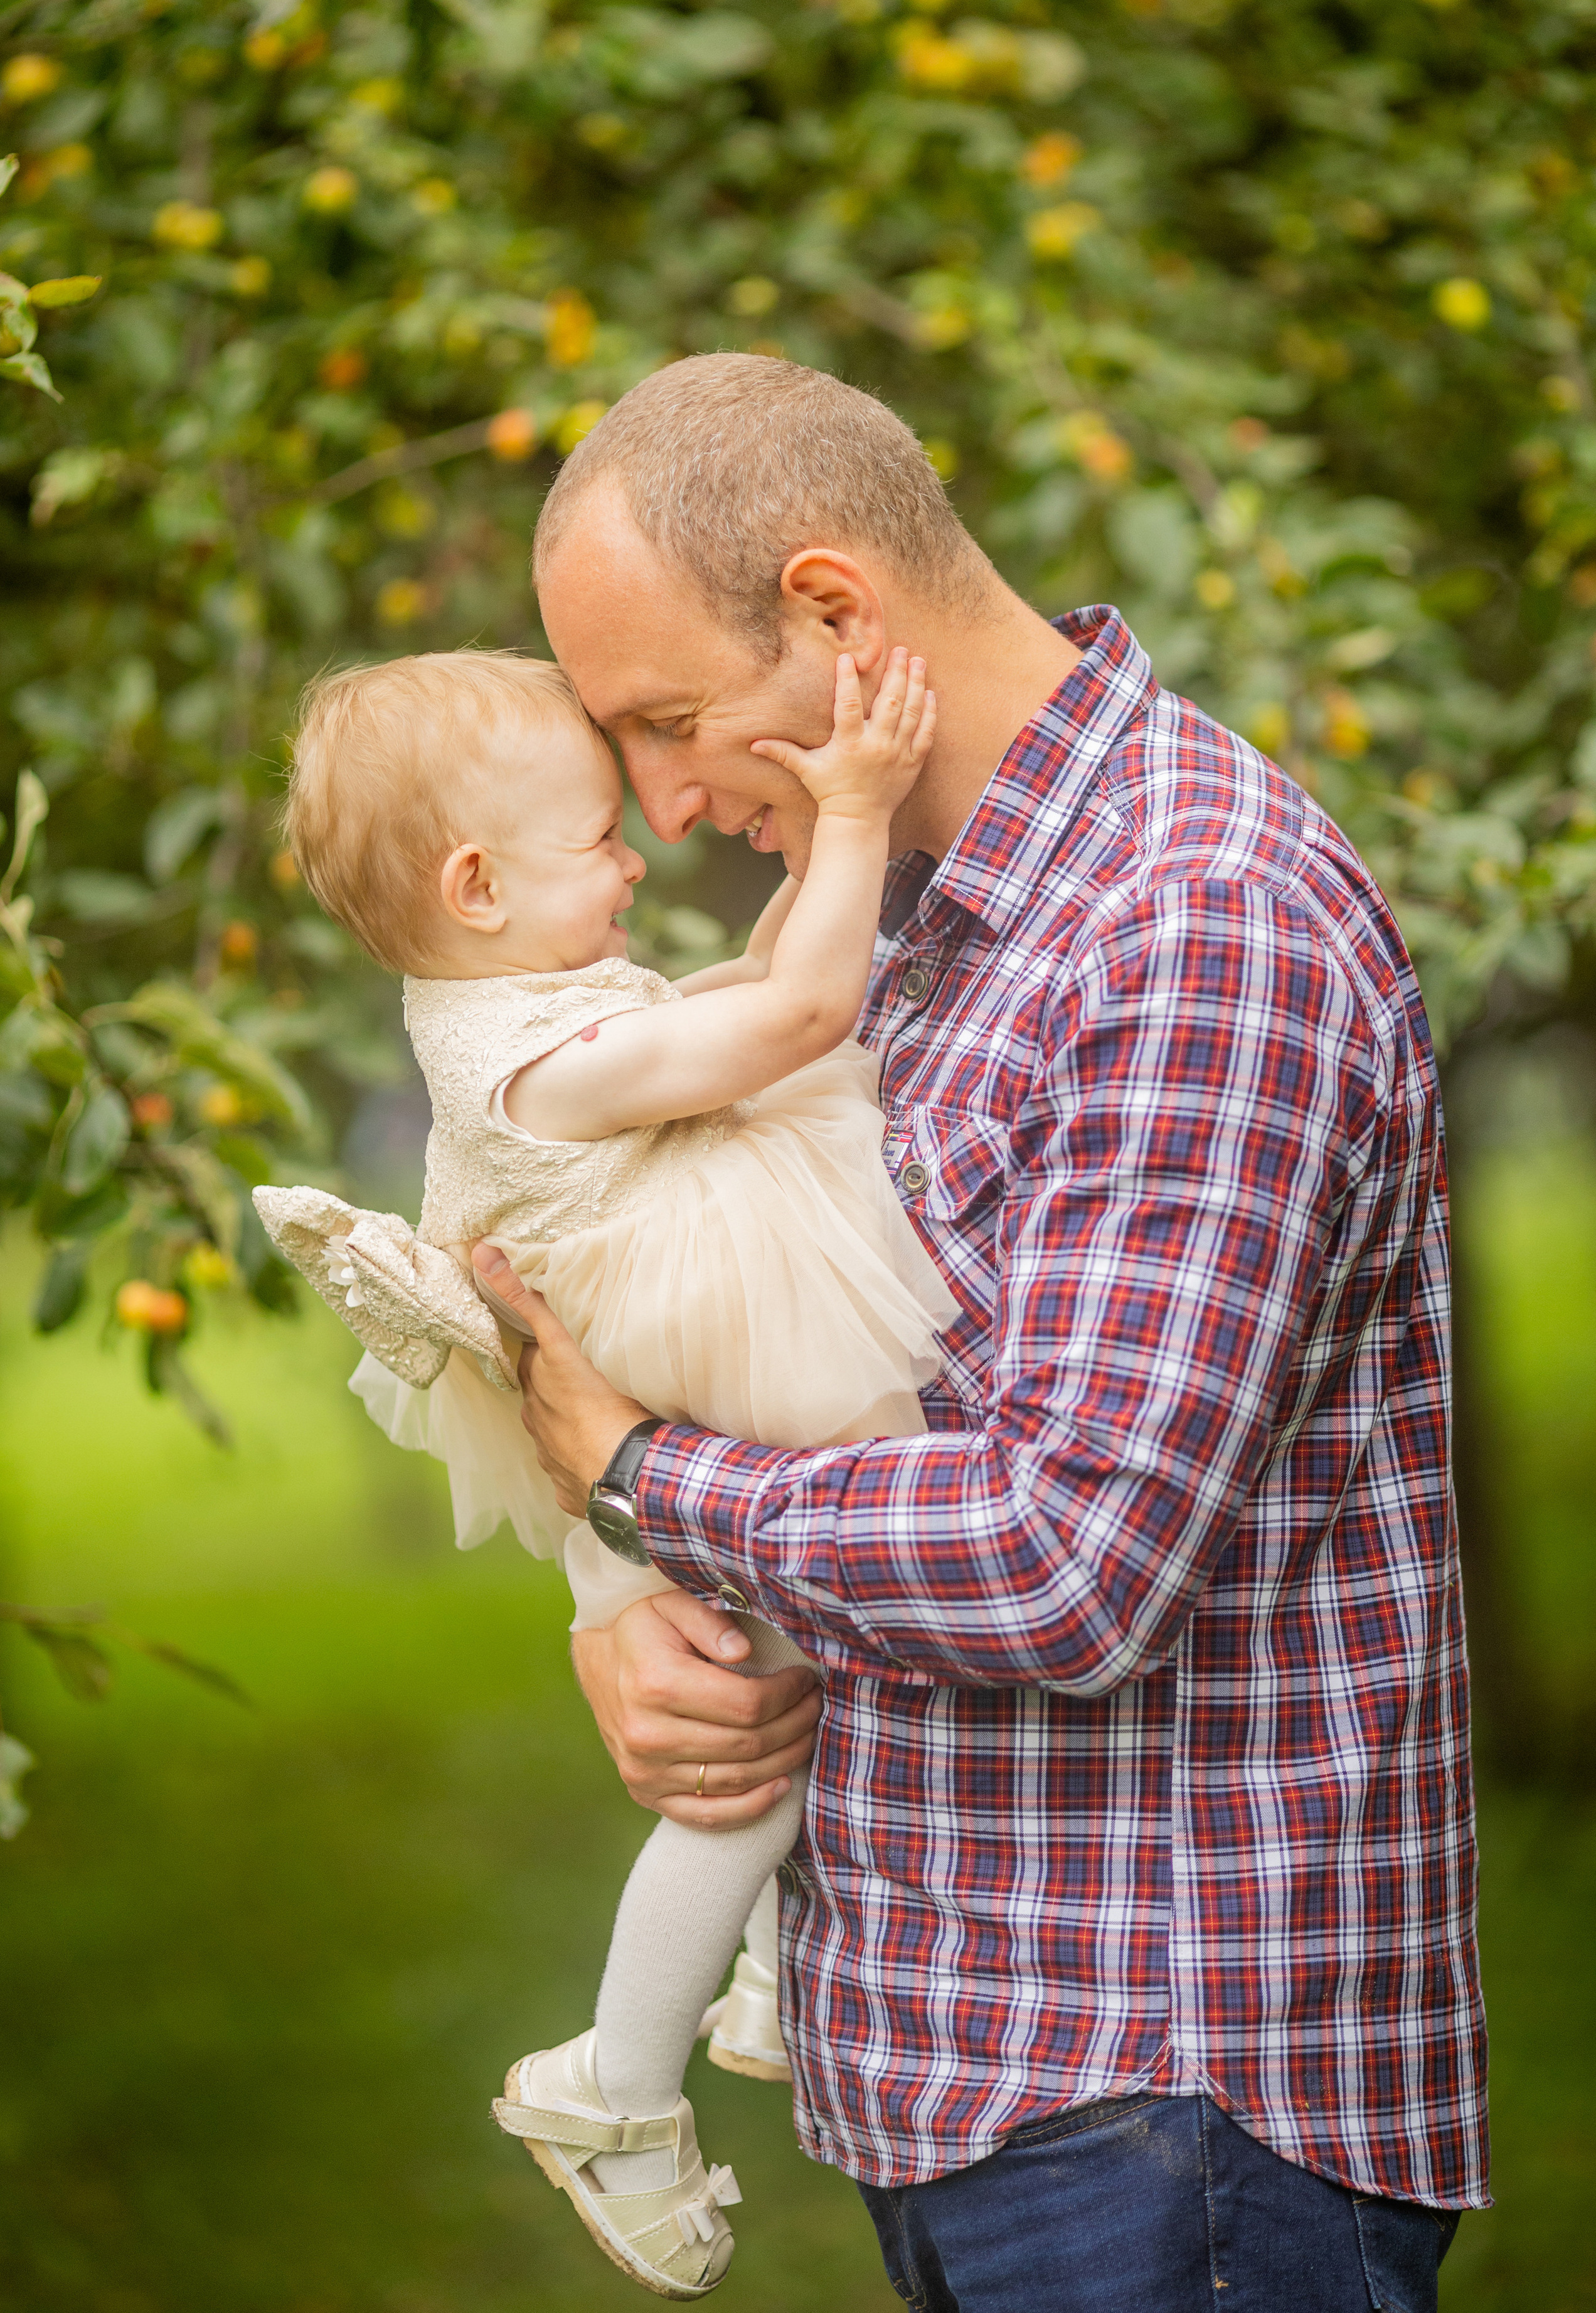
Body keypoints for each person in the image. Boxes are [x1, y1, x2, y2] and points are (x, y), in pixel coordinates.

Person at [474, 352, 1490, 2313]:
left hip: (1170, 2107)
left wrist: (636, 1472)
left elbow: (1066, 1559)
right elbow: (849, 1427)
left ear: (840, 617)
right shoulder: (912, 932)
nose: (668, 808)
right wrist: (653, 1640)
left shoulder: (1195, 921)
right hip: (985, 2077)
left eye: (670, 723)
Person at [253, 642, 955, 2298]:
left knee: (786, 1667)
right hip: (661, 1399)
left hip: (664, 1388)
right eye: (596, 833)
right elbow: (796, 1016)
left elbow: (737, 992)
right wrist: (855, 808)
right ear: (479, 885)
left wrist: (819, 850)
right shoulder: (524, 1067)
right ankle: (616, 2086)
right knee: (744, 1759)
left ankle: (772, 1976)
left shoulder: (527, 995)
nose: (638, 850)